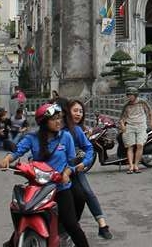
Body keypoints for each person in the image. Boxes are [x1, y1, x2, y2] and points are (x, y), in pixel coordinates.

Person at [0, 102, 90, 247]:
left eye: (59, 118)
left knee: (71, 225)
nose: (58, 121)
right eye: (54, 119)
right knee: (23, 212)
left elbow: (71, 161)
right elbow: (17, 152)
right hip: (37, 186)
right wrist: (6, 159)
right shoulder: (32, 138)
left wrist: (67, 172)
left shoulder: (66, 137)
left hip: (60, 187)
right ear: (43, 122)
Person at [65, 99, 113, 240]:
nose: (78, 114)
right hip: (55, 169)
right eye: (75, 110)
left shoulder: (77, 130)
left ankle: (102, 225)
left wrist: (84, 163)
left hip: (74, 168)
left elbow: (89, 148)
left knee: (86, 192)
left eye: (81, 111)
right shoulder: (57, 128)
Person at [118, 86, 152, 173]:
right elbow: (122, 117)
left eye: (131, 95)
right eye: (128, 95)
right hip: (130, 126)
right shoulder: (126, 105)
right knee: (130, 146)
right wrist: (122, 125)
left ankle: (136, 165)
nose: (129, 97)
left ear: (135, 95)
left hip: (141, 126)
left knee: (140, 145)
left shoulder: (142, 102)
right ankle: (131, 166)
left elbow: (149, 112)